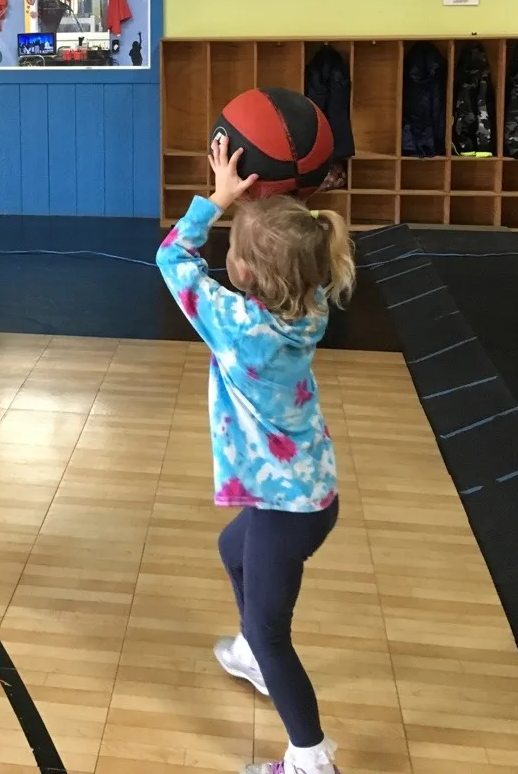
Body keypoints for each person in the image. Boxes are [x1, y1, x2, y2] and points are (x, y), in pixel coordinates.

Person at [156, 136, 356, 774]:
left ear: (243, 275)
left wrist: (217, 197)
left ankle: (308, 757)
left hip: (283, 506)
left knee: (276, 634)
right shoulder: (311, 308)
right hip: (309, 494)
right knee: (228, 551)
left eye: (235, 254)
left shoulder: (239, 329)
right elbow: (288, 252)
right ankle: (250, 651)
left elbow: (173, 257)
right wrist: (263, 205)